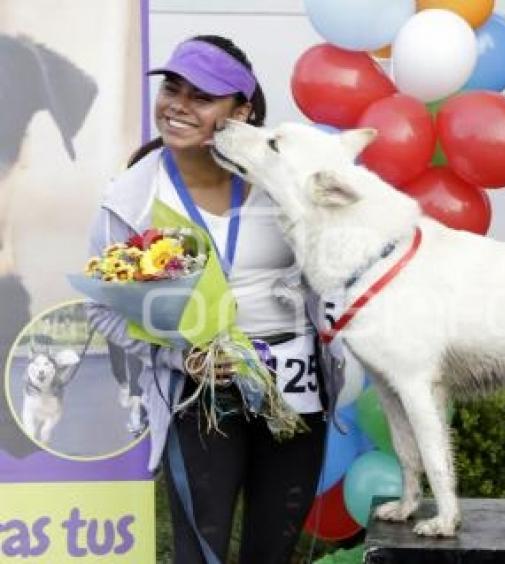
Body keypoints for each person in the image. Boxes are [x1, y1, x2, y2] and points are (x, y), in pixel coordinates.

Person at [86, 35, 329, 563]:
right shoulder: (130, 197)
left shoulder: (283, 181)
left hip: (293, 393)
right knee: (199, 554)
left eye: (202, 96)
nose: (177, 104)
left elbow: (332, 278)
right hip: (200, 395)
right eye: (172, 87)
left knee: (271, 552)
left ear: (240, 112)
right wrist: (180, 355)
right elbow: (100, 306)